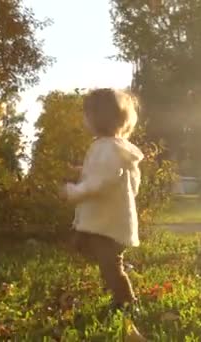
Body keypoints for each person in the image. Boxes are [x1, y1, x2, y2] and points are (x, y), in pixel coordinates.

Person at [60, 88, 144, 312]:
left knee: (110, 266)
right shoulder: (113, 147)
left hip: (108, 225)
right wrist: (82, 170)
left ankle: (126, 304)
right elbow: (108, 176)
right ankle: (119, 284)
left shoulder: (108, 148)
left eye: (86, 114)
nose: (84, 119)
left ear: (98, 118)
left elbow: (101, 181)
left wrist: (72, 191)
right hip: (108, 221)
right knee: (85, 246)